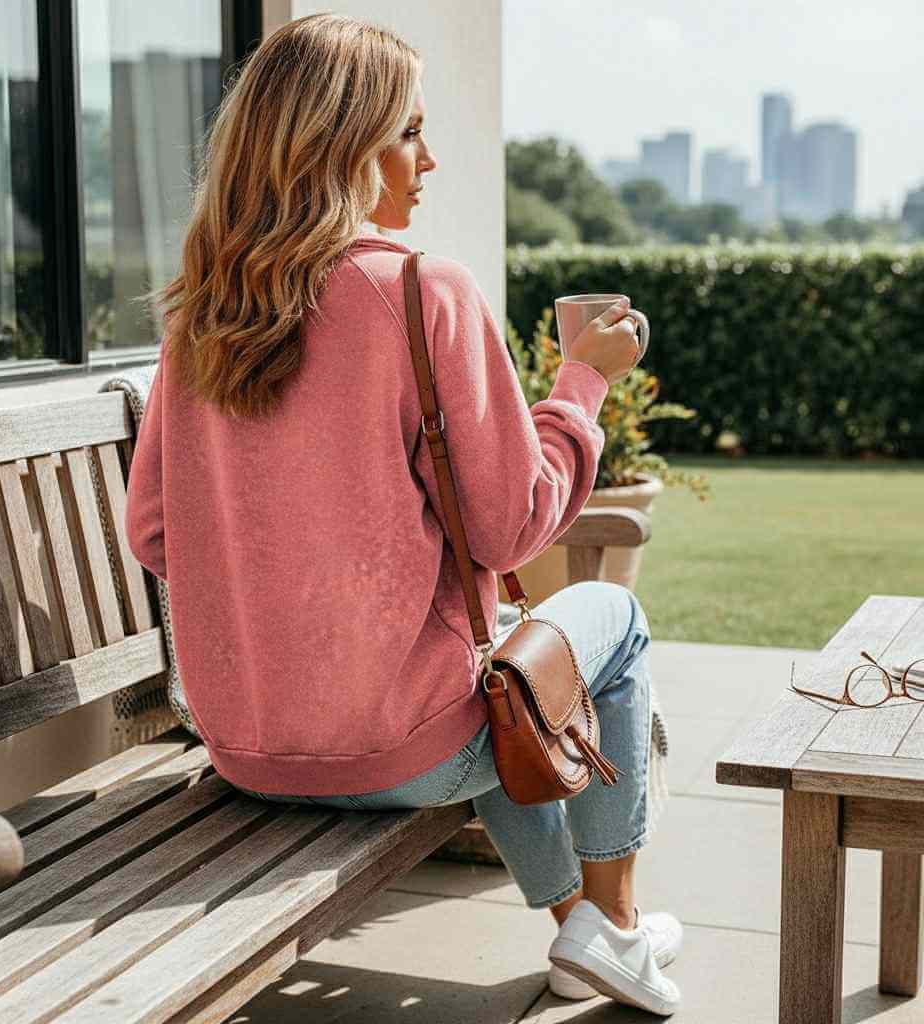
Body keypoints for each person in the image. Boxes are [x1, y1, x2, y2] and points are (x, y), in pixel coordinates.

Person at [124, 11, 681, 1016]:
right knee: (612, 625)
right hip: (402, 754)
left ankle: (577, 930)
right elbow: (514, 526)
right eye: (407, 131)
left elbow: (156, 534)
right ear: (341, 149)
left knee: (492, 657)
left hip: (246, 748)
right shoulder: (424, 290)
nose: (428, 159)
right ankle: (617, 926)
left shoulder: (198, 312)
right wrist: (582, 387)